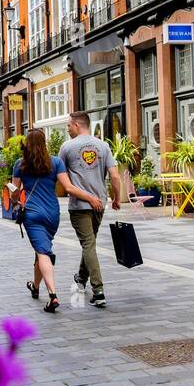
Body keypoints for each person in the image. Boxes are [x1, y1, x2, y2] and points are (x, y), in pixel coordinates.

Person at [11, 128, 103, 313]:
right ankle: (35, 287)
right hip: (52, 214)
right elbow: (69, 187)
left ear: (27, 144)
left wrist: (14, 196)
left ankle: (53, 295)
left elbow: (14, 195)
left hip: (32, 214)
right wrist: (91, 197)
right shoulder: (55, 162)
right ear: (44, 143)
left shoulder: (20, 165)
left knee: (43, 252)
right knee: (41, 249)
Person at [58, 111, 122, 308]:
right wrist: (116, 198)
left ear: (77, 125)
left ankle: (99, 290)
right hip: (99, 204)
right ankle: (81, 279)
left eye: (69, 125)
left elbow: (60, 178)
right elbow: (115, 176)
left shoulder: (67, 147)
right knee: (90, 243)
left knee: (88, 244)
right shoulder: (103, 146)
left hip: (79, 205)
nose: (67, 129)